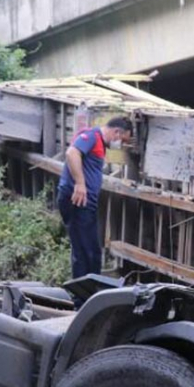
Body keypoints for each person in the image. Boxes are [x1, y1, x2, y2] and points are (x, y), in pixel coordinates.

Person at [57, 116, 133, 281]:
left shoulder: (98, 143)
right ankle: (84, 296)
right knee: (87, 252)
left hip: (84, 203)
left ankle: (87, 292)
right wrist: (80, 183)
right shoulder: (92, 137)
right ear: (116, 132)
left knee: (87, 251)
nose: (121, 145)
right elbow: (72, 153)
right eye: (123, 140)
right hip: (78, 201)